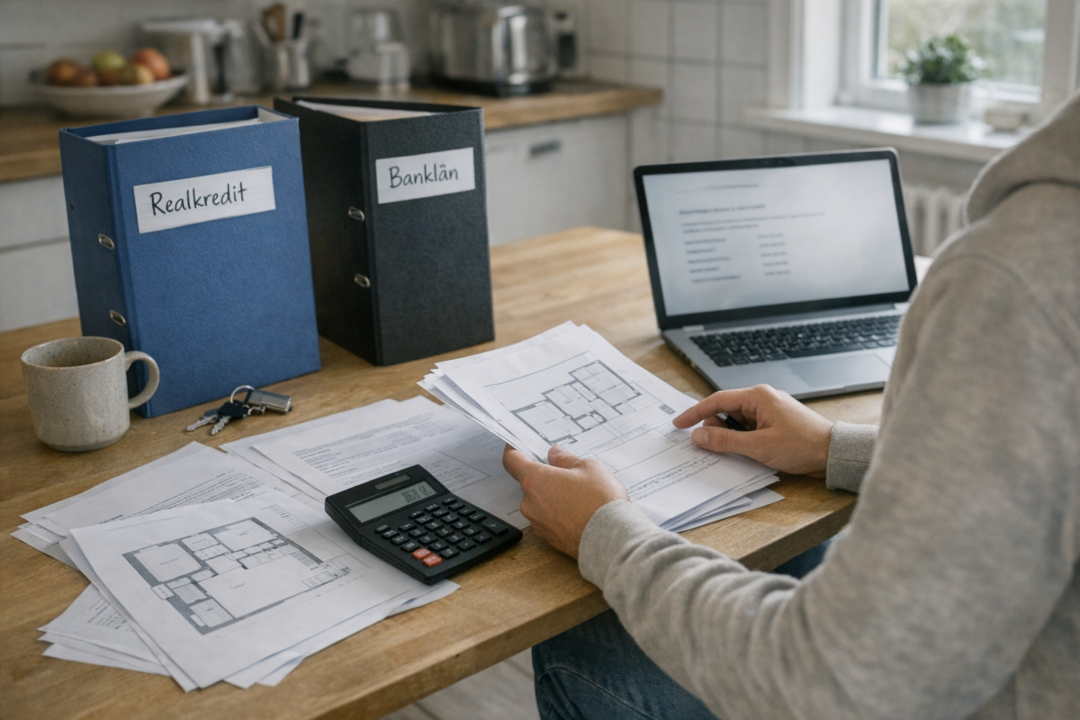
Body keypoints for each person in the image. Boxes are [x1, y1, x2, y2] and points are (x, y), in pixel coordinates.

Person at [502, 90, 1080, 720]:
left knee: (582, 639)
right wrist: (835, 446)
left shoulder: (1020, 274)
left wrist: (604, 532)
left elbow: (839, 685)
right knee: (799, 550)